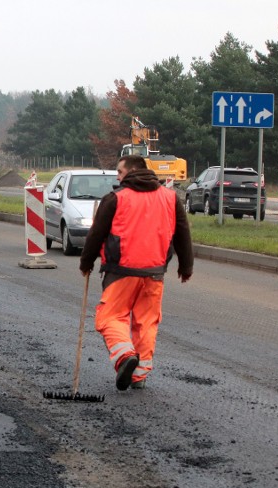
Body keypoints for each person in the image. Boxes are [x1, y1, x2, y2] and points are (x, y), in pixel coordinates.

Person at [79, 155, 194, 391]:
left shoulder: (115, 199)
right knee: (146, 323)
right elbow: (182, 234)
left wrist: (86, 262)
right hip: (154, 272)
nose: (117, 177)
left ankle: (125, 357)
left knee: (111, 317)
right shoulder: (170, 198)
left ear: (131, 172)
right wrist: (186, 267)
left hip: (121, 271)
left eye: (120, 172)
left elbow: (96, 233)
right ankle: (139, 375)